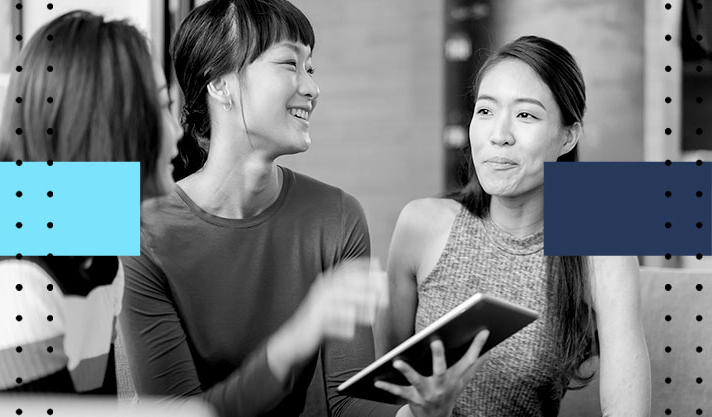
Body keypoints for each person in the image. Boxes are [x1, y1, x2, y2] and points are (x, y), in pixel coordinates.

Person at [119, 1, 487, 416]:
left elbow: (349, 400)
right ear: (220, 84)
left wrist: (416, 413)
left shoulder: (338, 215)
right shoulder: (139, 229)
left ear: (569, 136)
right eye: (289, 64)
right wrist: (299, 335)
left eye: (310, 68)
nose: (312, 88)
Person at [377, 35, 651, 416]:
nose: (499, 135)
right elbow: (386, 392)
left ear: (568, 136)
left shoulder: (598, 235)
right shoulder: (421, 224)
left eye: (526, 115)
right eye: (485, 111)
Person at [0, 11, 182, 394]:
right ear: (113, 123)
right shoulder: (9, 275)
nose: (178, 131)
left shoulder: (96, 249)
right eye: (165, 106)